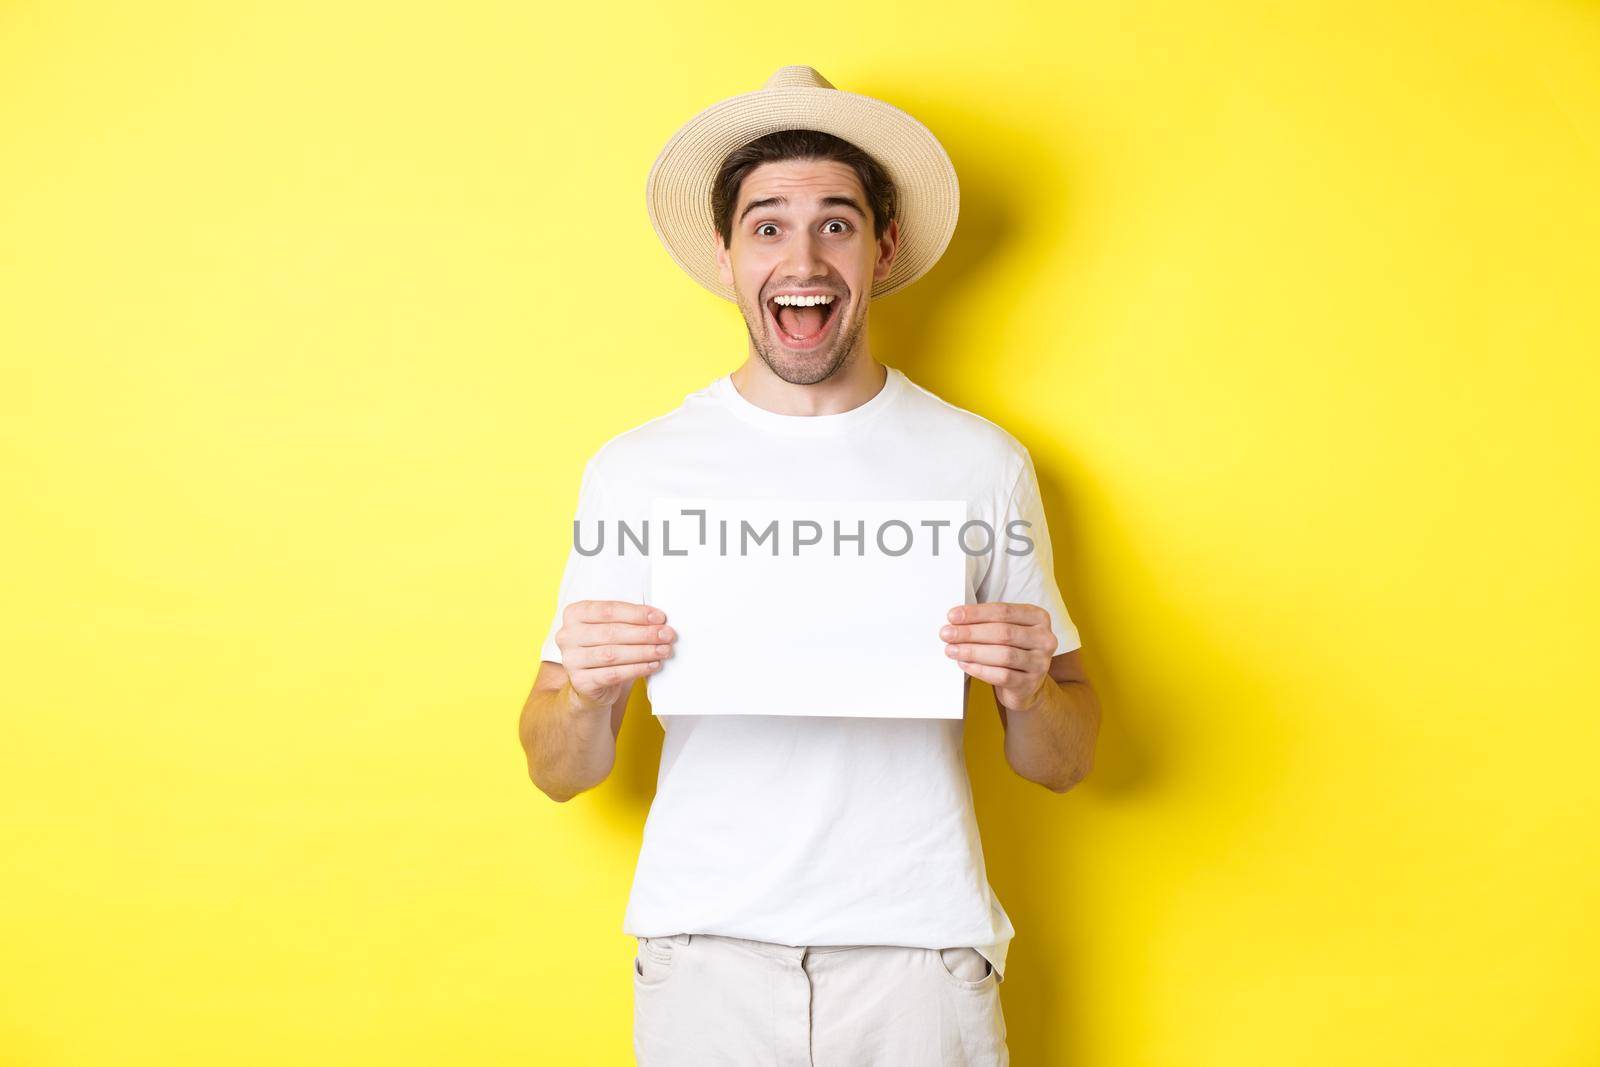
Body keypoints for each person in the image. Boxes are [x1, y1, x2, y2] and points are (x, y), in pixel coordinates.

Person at [517, 65, 1100, 1067]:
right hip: (704, 961)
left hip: (920, 957)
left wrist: (1029, 687)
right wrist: (583, 692)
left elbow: (1066, 757)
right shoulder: (640, 469)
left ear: (881, 247)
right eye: (768, 224)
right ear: (728, 255)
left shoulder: (979, 462)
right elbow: (557, 767)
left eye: (835, 223)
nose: (803, 254)